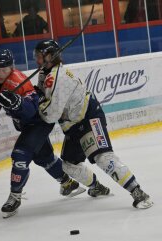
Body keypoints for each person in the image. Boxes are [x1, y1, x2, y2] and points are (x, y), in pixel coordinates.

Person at [34, 39, 153, 209]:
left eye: (40, 56)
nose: (37, 60)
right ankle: (96, 187)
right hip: (73, 125)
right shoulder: (45, 74)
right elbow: (42, 96)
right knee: (68, 165)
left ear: (50, 57)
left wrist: (34, 104)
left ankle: (138, 192)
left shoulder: (56, 77)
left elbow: (51, 115)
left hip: (89, 118)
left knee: (102, 157)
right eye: (36, 56)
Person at [0, 49, 85, 218]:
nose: (0, 73)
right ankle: (68, 183)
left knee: (20, 155)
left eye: (5, 69)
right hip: (25, 125)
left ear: (11, 68)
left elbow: (32, 110)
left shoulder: (19, 81)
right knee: (43, 157)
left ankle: (14, 196)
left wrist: (17, 103)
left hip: (39, 122)